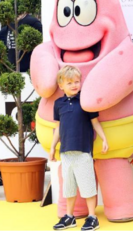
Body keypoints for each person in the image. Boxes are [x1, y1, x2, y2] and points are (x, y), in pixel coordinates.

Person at [49, 65, 109, 231]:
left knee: (87, 185)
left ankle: (92, 217)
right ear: (61, 85)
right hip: (65, 152)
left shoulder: (85, 100)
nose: (75, 85)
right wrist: (52, 147)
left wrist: (104, 138)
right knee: (68, 187)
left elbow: (95, 122)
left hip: (83, 151)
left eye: (77, 81)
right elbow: (58, 127)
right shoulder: (58, 104)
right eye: (70, 83)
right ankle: (69, 217)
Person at [0, 0, 42, 72]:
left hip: (29, 73)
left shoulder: (33, 23)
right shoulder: (9, 25)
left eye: (10, 0)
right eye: (6, 0)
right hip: (12, 74)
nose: (7, 3)